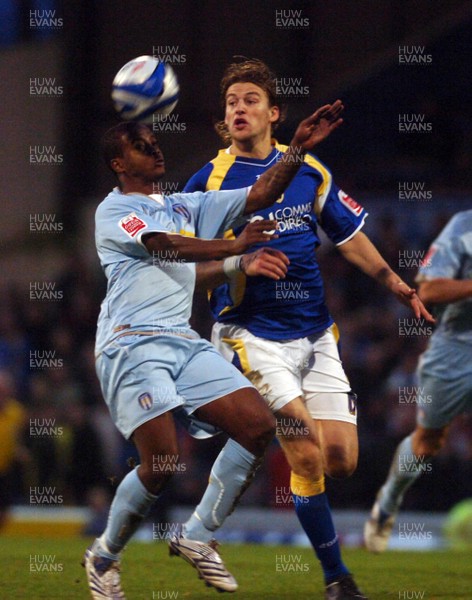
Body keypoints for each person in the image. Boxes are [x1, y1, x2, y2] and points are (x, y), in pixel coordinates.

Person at [175, 58, 434, 600]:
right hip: (249, 335)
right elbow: (178, 268)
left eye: (250, 100)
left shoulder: (310, 172)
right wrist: (235, 264)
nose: (239, 109)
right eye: (231, 102)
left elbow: (349, 236)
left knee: (340, 459)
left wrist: (398, 285)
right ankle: (338, 579)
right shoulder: (209, 182)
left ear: (274, 112)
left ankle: (199, 528)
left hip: (316, 337)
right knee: (305, 452)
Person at [84, 101, 344, 599]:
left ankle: (199, 534)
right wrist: (235, 250)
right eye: (140, 146)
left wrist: (299, 149)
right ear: (119, 164)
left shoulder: (186, 204)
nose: (154, 147)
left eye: (154, 141)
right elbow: (163, 246)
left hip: (181, 338)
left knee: (257, 425)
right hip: (131, 342)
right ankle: (104, 556)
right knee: (160, 464)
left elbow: (263, 191)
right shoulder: (115, 210)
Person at [364, 209, 472, 552]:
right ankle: (390, 498)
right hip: (457, 349)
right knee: (429, 440)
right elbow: (427, 290)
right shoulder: (464, 226)